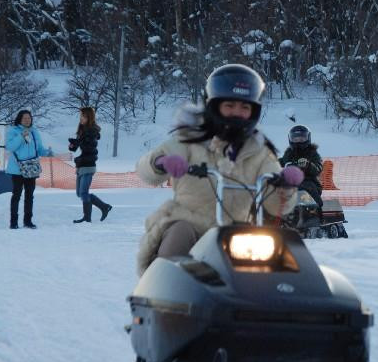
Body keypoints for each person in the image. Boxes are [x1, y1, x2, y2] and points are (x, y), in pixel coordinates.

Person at [135, 64, 301, 276]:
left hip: (237, 233)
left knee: (270, 254)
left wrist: (285, 186)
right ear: (214, 106)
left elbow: (276, 205)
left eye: (244, 108)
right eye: (229, 105)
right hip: (190, 225)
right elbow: (145, 171)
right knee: (179, 233)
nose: (237, 113)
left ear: (254, 112)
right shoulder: (189, 140)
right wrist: (160, 162)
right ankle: (162, 291)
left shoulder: (260, 152)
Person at [4, 110, 53, 229]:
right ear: (19, 119)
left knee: (29, 195)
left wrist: (48, 153)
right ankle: (14, 222)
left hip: (31, 168)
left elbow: (39, 149)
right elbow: (10, 147)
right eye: (25, 118)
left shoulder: (34, 131)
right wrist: (21, 136)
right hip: (17, 169)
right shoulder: (13, 131)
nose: (27, 120)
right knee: (16, 195)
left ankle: (28, 221)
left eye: (29, 118)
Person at [68, 107, 112, 223]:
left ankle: (87, 218)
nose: (81, 119)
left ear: (89, 117)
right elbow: (77, 148)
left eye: (83, 116)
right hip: (81, 164)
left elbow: (89, 148)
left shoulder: (92, 131)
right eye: (80, 116)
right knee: (80, 193)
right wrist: (73, 145)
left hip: (88, 164)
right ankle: (104, 206)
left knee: (83, 193)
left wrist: (78, 142)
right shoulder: (82, 130)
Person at [279, 124, 324, 208]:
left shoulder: (312, 153)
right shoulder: (289, 154)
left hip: (309, 182)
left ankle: (316, 209)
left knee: (304, 186)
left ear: (307, 138)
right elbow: (281, 162)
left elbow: (319, 167)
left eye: (302, 138)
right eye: (295, 139)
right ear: (291, 139)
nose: (298, 141)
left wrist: (308, 165)